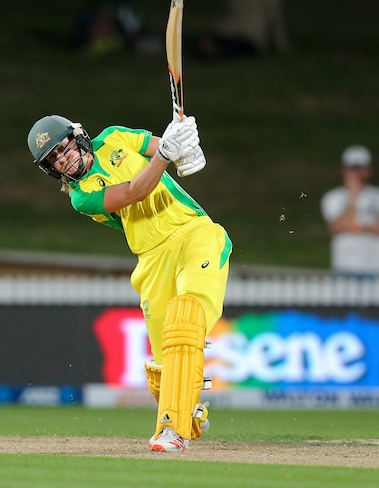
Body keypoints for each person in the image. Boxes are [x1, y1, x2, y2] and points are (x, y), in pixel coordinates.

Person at [27, 113, 230, 452]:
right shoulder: (82, 197)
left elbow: (165, 149)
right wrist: (167, 154)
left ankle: (170, 431)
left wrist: (186, 144)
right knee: (163, 365)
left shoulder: (114, 136)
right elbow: (137, 189)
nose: (64, 159)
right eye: (54, 159)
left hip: (195, 233)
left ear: (78, 137)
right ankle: (189, 417)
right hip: (151, 259)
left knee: (186, 318)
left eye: (63, 148)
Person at [320, 145, 379, 278]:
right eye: (352, 169)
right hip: (346, 267)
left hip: (377, 267)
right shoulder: (333, 197)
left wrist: (355, 227)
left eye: (360, 169)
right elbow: (337, 227)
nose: (356, 174)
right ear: (344, 170)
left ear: (369, 171)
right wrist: (353, 198)